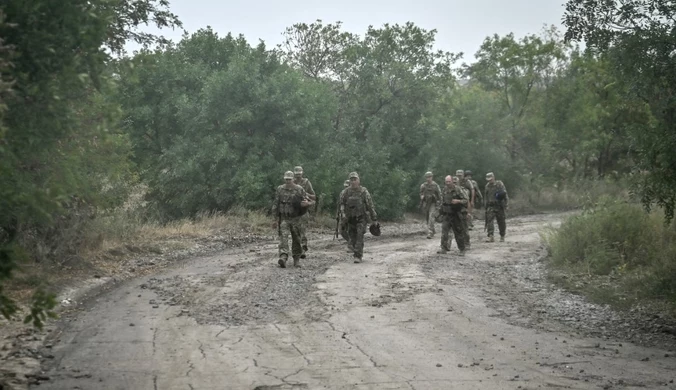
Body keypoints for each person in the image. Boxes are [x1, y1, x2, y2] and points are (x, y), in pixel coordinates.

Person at [271, 171, 314, 268]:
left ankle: (296, 259)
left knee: (297, 239)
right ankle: (283, 257)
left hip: (296, 219)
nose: (288, 181)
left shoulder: (299, 189)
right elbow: (275, 204)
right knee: (283, 238)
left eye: (289, 179)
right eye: (286, 179)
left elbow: (311, 201)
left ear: (293, 179)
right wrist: (274, 219)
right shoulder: (280, 189)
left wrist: (307, 204)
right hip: (284, 218)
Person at [339, 172, 378, 263]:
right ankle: (355, 251)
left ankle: (358, 255)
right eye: (351, 180)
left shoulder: (363, 192)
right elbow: (342, 204)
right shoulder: (345, 192)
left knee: (360, 235)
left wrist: (374, 219)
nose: (353, 182)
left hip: (361, 218)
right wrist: (343, 214)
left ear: (358, 180)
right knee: (352, 237)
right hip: (350, 218)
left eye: (355, 179)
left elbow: (370, 205)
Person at [437, 175, 468, 255]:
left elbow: (465, 200)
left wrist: (458, 201)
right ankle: (443, 248)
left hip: (455, 214)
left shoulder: (458, 189)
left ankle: (462, 249)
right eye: (446, 182)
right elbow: (442, 201)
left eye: (449, 181)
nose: (447, 183)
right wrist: (440, 212)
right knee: (444, 232)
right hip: (447, 214)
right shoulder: (444, 189)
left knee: (458, 232)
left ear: (452, 181)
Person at [293, 166, 316, 258]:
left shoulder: (306, 183)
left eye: (299, 173)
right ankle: (298, 248)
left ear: (302, 173)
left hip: (303, 210)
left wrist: (305, 195)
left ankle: (303, 248)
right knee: (295, 231)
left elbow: (314, 197)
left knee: (302, 230)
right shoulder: (291, 182)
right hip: (293, 211)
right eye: (297, 173)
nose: (298, 175)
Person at [484, 172, 508, 242]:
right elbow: (486, 197)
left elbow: (505, 194)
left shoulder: (499, 184)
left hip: (499, 205)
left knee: (501, 221)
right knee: (489, 221)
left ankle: (502, 235)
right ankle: (491, 236)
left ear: (493, 177)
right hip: (491, 206)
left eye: (490, 179)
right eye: (488, 180)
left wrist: (506, 205)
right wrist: (485, 206)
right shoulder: (487, 186)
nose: (489, 181)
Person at [455, 169, 475, 249]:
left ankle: (467, 243)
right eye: (458, 175)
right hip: (457, 204)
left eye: (460, 175)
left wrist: (472, 200)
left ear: (463, 175)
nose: (459, 177)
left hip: (465, 202)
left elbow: (472, 190)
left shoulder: (467, 182)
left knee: (464, 225)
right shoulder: (455, 181)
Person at [419, 171, 442, 239]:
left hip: (433, 203)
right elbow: (421, 193)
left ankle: (430, 232)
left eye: (429, 177)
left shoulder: (435, 185)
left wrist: (439, 203)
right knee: (427, 217)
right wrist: (422, 196)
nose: (428, 179)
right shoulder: (423, 185)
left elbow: (439, 195)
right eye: (427, 177)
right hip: (426, 203)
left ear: (432, 177)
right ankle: (433, 229)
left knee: (431, 216)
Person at [336, 179, 350, 246]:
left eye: (347, 186)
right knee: (341, 230)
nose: (346, 187)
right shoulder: (342, 193)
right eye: (345, 186)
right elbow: (340, 204)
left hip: (352, 215)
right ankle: (350, 241)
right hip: (343, 214)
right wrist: (338, 214)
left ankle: (352, 243)